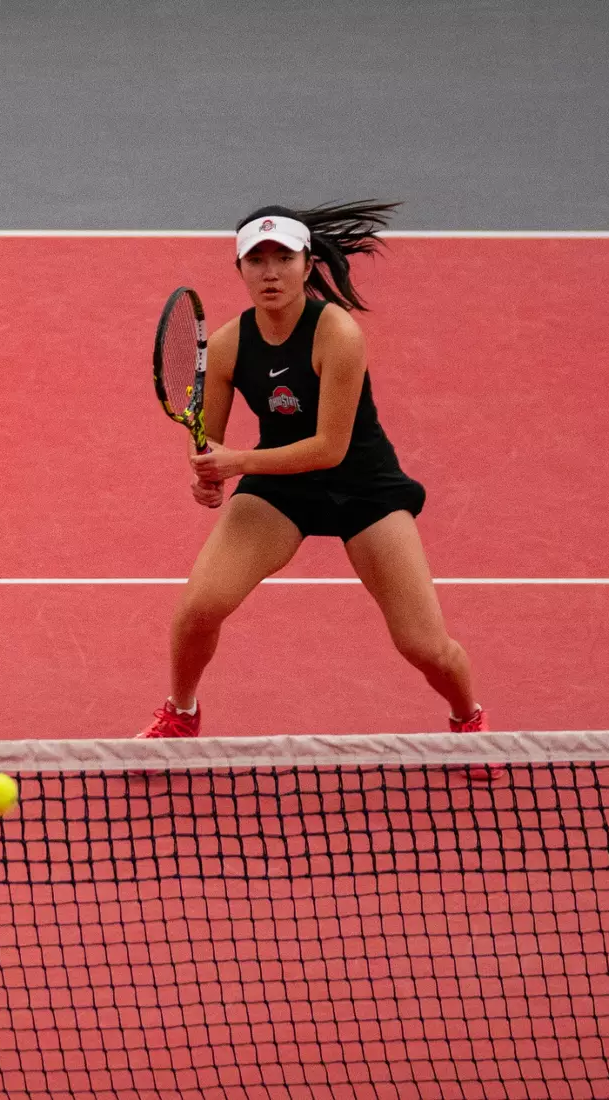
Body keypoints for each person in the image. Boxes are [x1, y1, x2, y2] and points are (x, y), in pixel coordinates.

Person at [139, 201, 490, 755]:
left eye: (284, 258)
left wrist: (235, 463)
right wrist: (205, 468)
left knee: (424, 646)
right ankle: (182, 712)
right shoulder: (229, 343)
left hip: (364, 488)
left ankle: (467, 718)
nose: (271, 271)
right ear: (240, 270)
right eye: (257, 260)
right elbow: (206, 431)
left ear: (307, 266)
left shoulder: (338, 334)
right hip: (282, 488)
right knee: (199, 607)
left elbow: (329, 448)